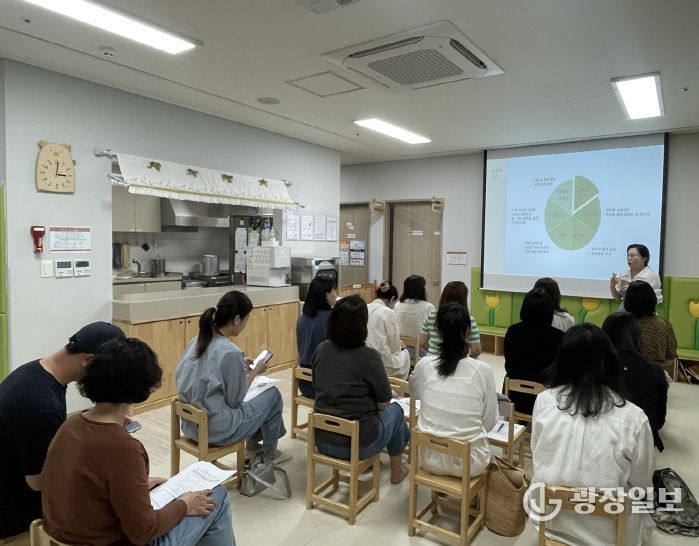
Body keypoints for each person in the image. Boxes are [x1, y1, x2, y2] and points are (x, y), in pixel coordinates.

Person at [41, 338, 234, 545]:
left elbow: (89, 485)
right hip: (109, 541)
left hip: (63, 536)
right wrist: (184, 506)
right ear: (142, 389)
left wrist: (134, 488)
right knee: (217, 496)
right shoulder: (123, 448)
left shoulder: (69, 426)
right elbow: (143, 532)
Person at [530, 324, 655, 545]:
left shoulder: (544, 401)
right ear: (610, 361)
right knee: (641, 505)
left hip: (550, 520)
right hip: (610, 534)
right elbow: (642, 484)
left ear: (562, 360)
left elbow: (537, 454)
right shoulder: (634, 418)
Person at [0, 322, 125, 540]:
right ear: (88, 360)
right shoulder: (41, 405)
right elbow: (38, 482)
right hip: (14, 512)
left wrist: (93, 422)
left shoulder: (35, 371)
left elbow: (45, 434)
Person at [176, 290, 288, 463]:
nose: (245, 324)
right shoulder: (231, 352)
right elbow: (235, 401)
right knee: (272, 395)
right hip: (216, 430)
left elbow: (204, 370)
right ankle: (268, 457)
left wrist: (239, 365)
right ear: (237, 319)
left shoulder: (197, 340)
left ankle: (253, 446)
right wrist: (254, 372)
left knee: (259, 398)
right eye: (246, 319)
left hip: (190, 426)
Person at [312, 295, 410, 484]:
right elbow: (384, 403)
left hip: (322, 440)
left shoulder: (321, 349)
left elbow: (318, 386)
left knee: (384, 417)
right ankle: (397, 471)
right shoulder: (369, 356)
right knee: (396, 411)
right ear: (362, 325)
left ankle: (384, 455)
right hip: (358, 445)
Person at [410, 303, 498, 477]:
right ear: (468, 331)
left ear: (438, 331)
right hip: (469, 462)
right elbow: (489, 421)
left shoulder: (424, 365)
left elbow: (415, 392)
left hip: (427, 456)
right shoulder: (483, 371)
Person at [602, 311, 668, 451]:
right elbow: (659, 420)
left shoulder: (595, 367)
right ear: (637, 335)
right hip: (643, 438)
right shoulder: (655, 370)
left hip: (602, 436)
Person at [504, 288, 563, 414]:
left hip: (514, 395)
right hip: (544, 400)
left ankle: (506, 420)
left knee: (508, 376)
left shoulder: (513, 331)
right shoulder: (559, 337)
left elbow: (508, 364)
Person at [624, 280, 678, 377]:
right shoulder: (664, 325)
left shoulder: (620, 324)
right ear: (653, 299)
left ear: (627, 301)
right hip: (653, 376)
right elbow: (670, 360)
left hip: (623, 376)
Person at [296, 276, 337, 398]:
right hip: (326, 385)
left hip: (305, 384)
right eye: (334, 290)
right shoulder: (332, 318)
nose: (335, 294)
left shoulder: (302, 319)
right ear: (327, 295)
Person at [421, 281, 483, 358]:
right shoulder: (469, 319)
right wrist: (469, 357)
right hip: (459, 360)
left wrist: (434, 351)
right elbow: (476, 350)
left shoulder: (431, 315)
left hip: (432, 359)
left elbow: (422, 342)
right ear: (463, 299)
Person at [366, 281, 411, 379]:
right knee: (405, 354)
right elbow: (394, 346)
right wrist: (401, 346)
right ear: (392, 299)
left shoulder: (364, 308)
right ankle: (397, 386)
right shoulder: (388, 312)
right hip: (380, 363)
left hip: (363, 359)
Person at [393, 275, 435, 359]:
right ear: (421, 289)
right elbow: (432, 335)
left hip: (400, 349)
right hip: (419, 351)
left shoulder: (397, 305)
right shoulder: (428, 307)